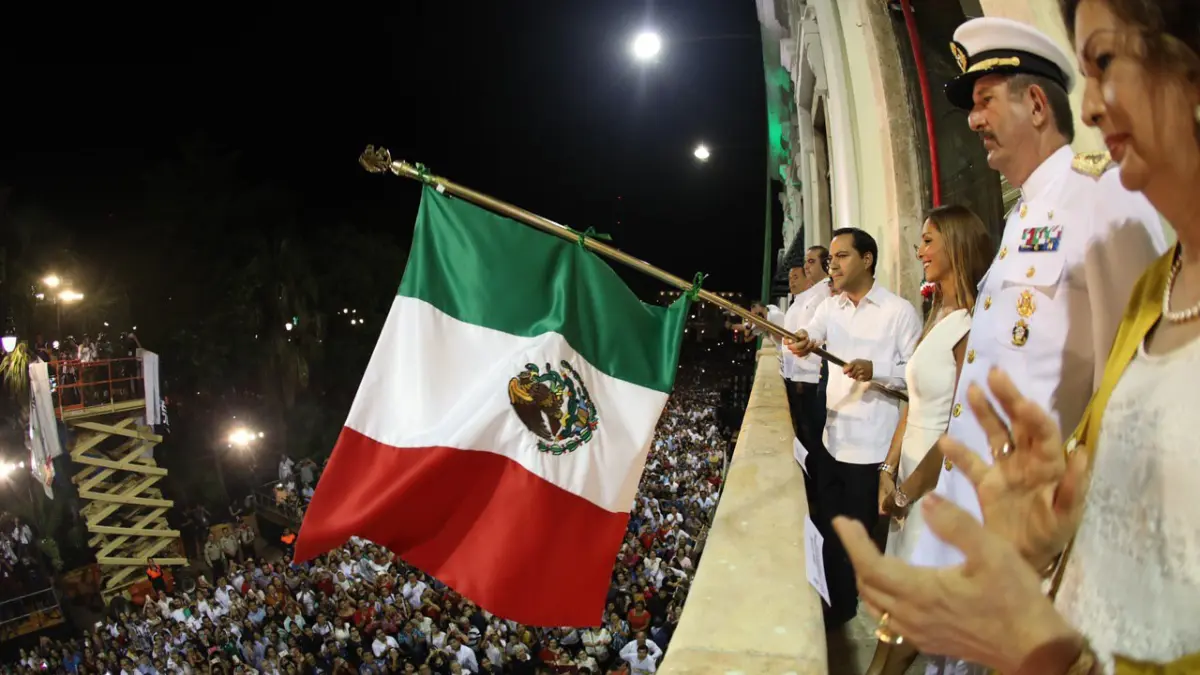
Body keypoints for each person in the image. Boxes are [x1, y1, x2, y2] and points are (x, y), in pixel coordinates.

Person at [835, 0, 1200, 672]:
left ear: (1035, 105)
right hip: (985, 536)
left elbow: (1128, 387)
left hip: (1037, 555)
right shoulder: (1027, 213)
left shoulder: (1105, 200)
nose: (971, 121)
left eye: (983, 101)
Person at [867, 205, 993, 675]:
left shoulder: (973, 326)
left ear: (955, 244)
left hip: (939, 489)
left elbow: (958, 427)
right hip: (908, 482)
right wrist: (887, 469)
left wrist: (908, 489)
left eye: (928, 239)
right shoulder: (937, 313)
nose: (919, 249)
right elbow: (914, 404)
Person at [786, 227, 922, 626]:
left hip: (872, 448)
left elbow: (915, 376)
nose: (833, 265)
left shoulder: (899, 313)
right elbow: (812, 331)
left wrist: (875, 371)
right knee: (829, 531)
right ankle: (837, 608)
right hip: (833, 440)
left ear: (868, 259)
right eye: (830, 258)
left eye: (842, 256)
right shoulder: (832, 308)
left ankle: (856, 607)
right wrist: (803, 339)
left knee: (858, 539)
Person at [757, 245, 832, 494]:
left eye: (811, 262)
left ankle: (818, 491)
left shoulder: (824, 296)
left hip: (809, 379)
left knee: (814, 440)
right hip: (796, 376)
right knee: (805, 437)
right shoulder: (803, 300)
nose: (807, 267)